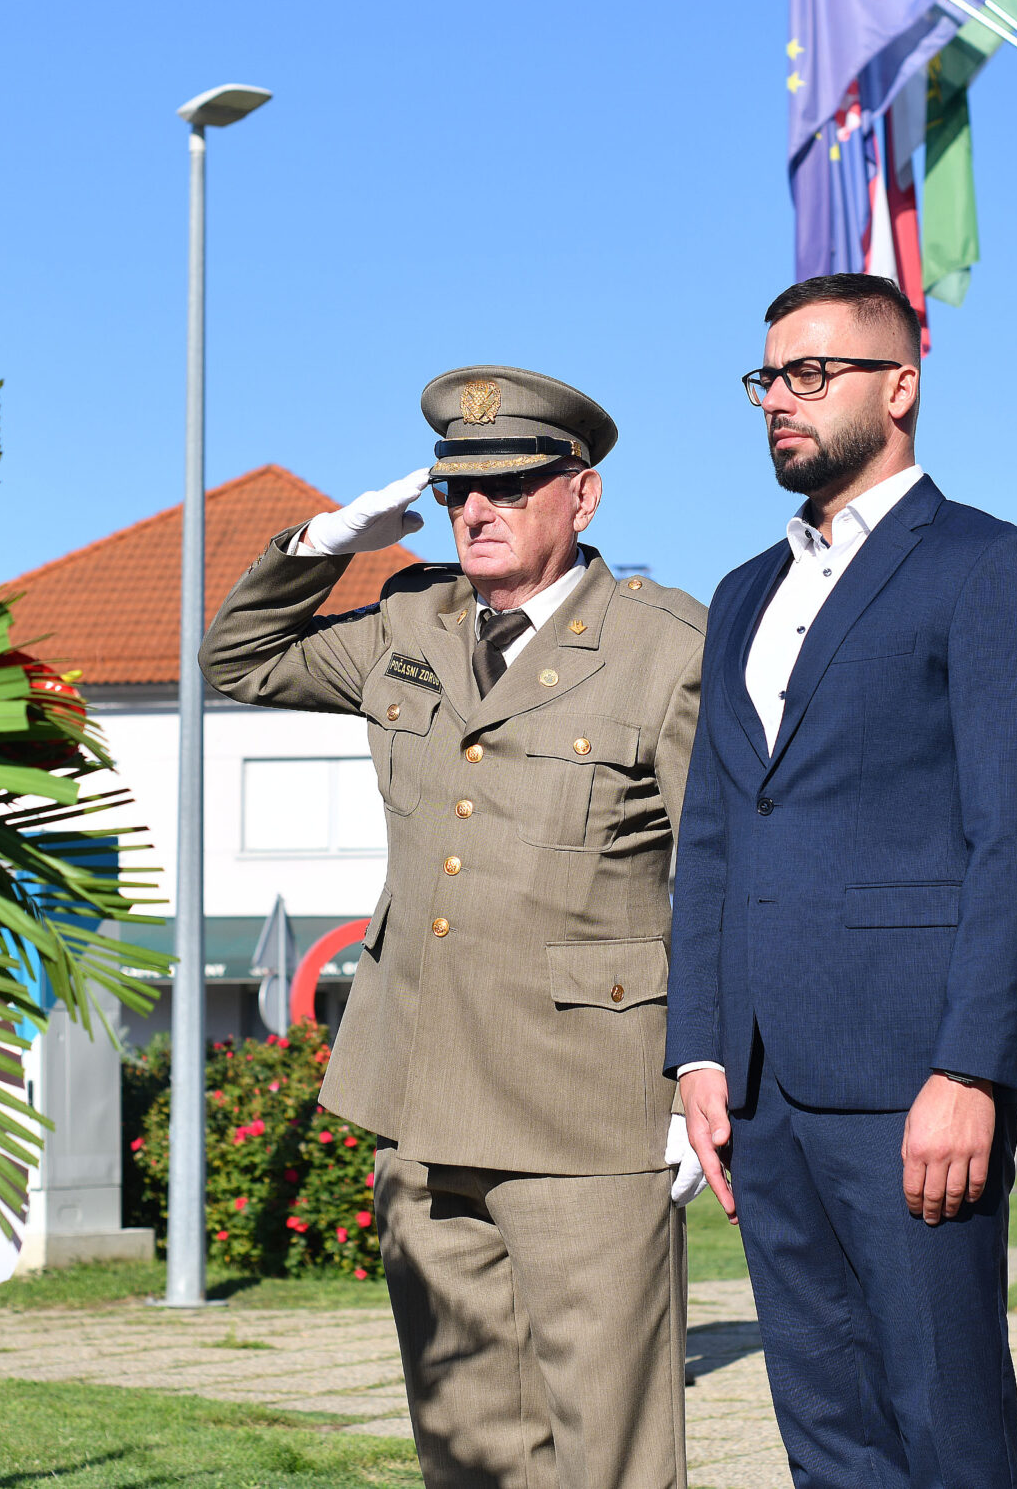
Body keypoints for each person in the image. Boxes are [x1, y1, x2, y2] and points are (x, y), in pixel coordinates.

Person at [202, 367, 708, 1489]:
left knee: (608, 1449)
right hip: (422, 1094)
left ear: (581, 497)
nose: (475, 511)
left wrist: (702, 1073)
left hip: (592, 1108)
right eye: (452, 492)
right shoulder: (408, 622)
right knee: (466, 1446)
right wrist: (329, 539)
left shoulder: (664, 647)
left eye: (512, 486)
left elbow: (722, 872)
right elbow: (235, 660)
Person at [669, 273, 1017, 1489]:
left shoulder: (991, 568)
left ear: (900, 385)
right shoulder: (745, 590)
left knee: (943, 1420)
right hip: (763, 1087)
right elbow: (715, 834)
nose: (777, 403)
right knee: (827, 1427)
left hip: (915, 1082)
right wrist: (699, 1051)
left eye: (810, 374)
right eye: (765, 379)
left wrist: (970, 1068)